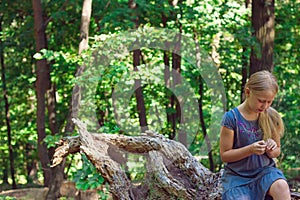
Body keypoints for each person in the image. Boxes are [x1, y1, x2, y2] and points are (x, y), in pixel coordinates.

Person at [219, 70, 291, 200]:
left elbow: (277, 152)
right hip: (237, 177)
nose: (265, 106)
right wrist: (250, 149)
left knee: (281, 186)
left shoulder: (270, 115)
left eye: (269, 102)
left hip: (265, 172)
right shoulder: (231, 118)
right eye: (261, 101)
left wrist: (272, 149)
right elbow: (225, 156)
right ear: (248, 92)